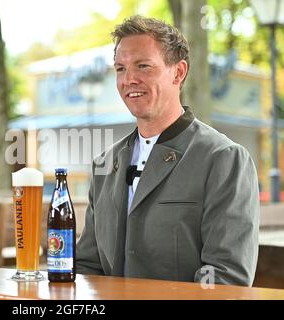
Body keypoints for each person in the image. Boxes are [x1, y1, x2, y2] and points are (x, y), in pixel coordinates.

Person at [76, 15, 260, 286]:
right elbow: (88, 266)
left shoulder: (223, 159)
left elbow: (224, 278)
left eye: (143, 66)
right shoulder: (105, 164)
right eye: (120, 68)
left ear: (179, 72)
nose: (129, 79)